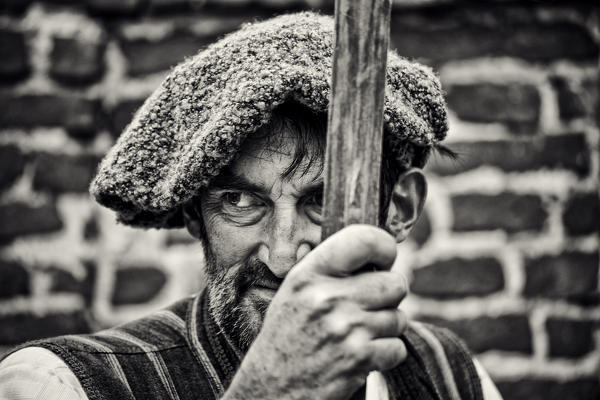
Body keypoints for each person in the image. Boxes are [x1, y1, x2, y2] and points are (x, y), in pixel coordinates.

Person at [0, 12, 502, 400]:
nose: (283, 258)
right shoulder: (58, 383)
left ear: (400, 210)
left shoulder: (452, 375)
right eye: (240, 200)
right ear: (196, 213)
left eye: (322, 201)